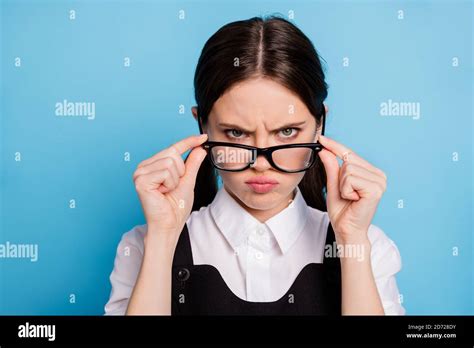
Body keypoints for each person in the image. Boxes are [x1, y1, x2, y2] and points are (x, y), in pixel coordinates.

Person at [104, 15, 405, 315]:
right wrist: (162, 238)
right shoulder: (144, 245)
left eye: (287, 132)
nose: (261, 163)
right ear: (202, 126)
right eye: (236, 133)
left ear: (319, 125)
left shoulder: (368, 248)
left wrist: (352, 241)